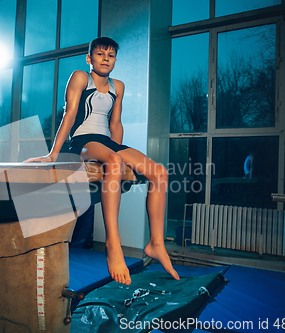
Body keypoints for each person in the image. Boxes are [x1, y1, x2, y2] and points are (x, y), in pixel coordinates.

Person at [24, 37, 179, 285]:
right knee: (114, 160)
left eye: (111, 55)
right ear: (90, 59)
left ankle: (156, 243)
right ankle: (112, 243)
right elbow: (70, 113)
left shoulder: (119, 86)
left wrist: (121, 155)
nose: (106, 58)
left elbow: (115, 124)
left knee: (159, 172)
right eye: (100, 54)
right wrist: (54, 153)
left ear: (115, 61)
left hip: (107, 143)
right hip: (83, 142)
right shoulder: (80, 78)